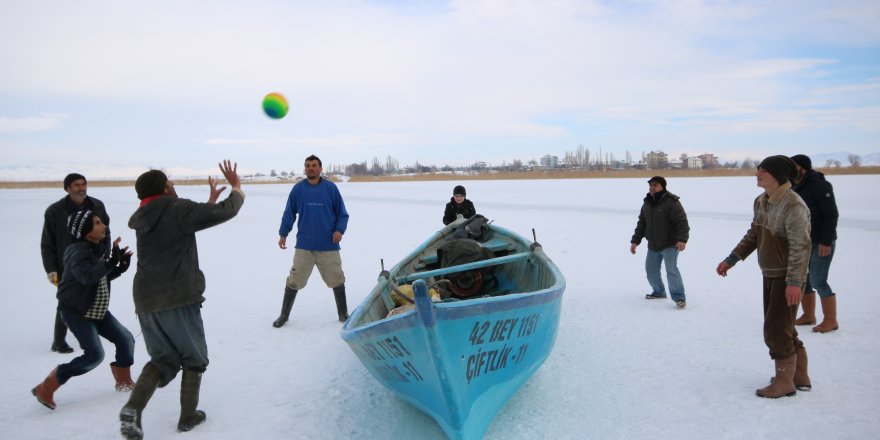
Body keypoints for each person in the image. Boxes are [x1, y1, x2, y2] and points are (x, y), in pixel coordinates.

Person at [119, 161, 244, 440]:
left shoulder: (145, 214)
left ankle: (132, 409)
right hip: (176, 295)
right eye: (171, 182)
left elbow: (179, 226)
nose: (174, 186)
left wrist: (209, 202)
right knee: (194, 358)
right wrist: (236, 188)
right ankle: (188, 417)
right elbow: (227, 211)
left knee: (163, 360)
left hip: (145, 299)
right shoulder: (176, 208)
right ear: (164, 188)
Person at [716, 155, 812, 398]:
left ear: (779, 175)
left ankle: (784, 383)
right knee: (784, 327)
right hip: (769, 273)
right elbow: (754, 234)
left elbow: (801, 246)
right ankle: (798, 375)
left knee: (776, 330)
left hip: (786, 277)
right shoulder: (762, 201)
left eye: (764, 170)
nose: (757, 174)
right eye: (758, 169)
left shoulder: (793, 205)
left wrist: (794, 282)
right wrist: (732, 258)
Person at [32, 210, 135, 410]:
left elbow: (97, 279)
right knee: (94, 355)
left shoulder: (96, 249)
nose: (103, 226)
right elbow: (87, 277)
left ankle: (123, 381)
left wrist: (119, 267)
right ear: (85, 230)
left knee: (125, 339)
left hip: (96, 309)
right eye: (97, 223)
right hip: (76, 311)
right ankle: (47, 387)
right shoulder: (78, 252)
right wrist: (109, 262)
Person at [274, 155, 350, 327]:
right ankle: (284, 315)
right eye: (308, 166)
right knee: (294, 280)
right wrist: (283, 234)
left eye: (314, 165)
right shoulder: (298, 190)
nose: (311, 168)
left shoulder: (330, 188)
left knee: (337, 279)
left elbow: (342, 213)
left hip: (328, 245)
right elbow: (289, 213)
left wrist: (339, 230)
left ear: (321, 169)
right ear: (305, 169)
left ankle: (343, 315)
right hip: (304, 246)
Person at [41, 173, 111, 354]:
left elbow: (106, 232)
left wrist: (106, 255)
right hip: (68, 263)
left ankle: (90, 335)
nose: (82, 188)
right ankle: (58, 341)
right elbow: (47, 243)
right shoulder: (55, 211)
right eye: (77, 185)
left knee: (95, 297)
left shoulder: (97, 205)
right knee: (67, 301)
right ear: (68, 188)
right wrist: (51, 270)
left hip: (95, 259)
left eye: (84, 184)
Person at [790, 154, 840, 333]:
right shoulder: (795, 185)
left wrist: (826, 242)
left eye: (792, 166)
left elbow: (831, 215)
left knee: (818, 280)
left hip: (822, 241)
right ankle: (809, 315)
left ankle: (831, 320)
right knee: (804, 279)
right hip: (805, 241)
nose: (789, 169)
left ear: (802, 168)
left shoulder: (820, 185)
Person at [630, 176, 690, 308]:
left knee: (671, 270)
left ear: (662, 187)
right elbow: (641, 224)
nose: (652, 187)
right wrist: (635, 241)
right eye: (650, 185)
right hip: (653, 245)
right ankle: (659, 292)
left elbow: (682, 223)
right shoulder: (647, 203)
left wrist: (682, 239)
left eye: (655, 185)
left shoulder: (672, 202)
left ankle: (679, 297)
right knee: (651, 270)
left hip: (670, 244)